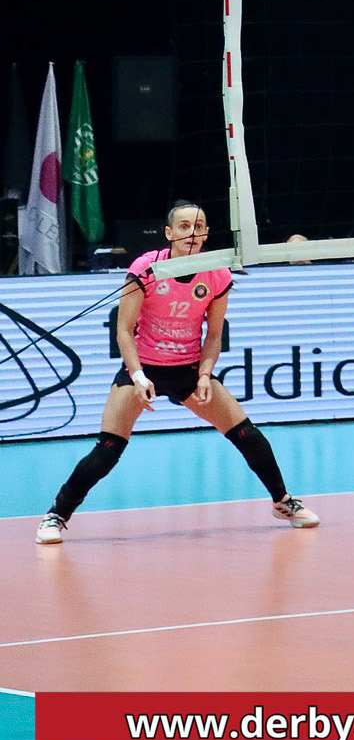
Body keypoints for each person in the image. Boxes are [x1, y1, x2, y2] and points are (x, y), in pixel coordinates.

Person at [38, 201, 319, 545]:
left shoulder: (217, 273)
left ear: (206, 233)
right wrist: (138, 376)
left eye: (199, 226)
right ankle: (56, 515)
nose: (192, 233)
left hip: (187, 369)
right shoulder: (146, 268)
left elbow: (214, 335)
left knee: (248, 435)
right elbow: (124, 331)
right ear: (169, 233)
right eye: (184, 227)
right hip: (143, 368)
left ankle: (282, 501)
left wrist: (205, 375)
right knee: (108, 448)